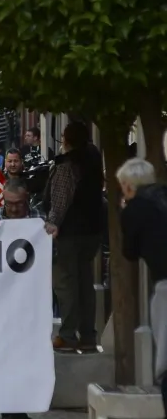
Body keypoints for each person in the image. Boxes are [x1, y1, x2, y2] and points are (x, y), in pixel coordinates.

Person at [44, 121, 103, 352]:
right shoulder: (94, 157)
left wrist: (53, 223)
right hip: (92, 230)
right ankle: (88, 335)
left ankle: (67, 336)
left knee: (66, 284)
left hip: (70, 232)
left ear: (65, 140)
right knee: (85, 282)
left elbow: (60, 199)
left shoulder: (67, 165)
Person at [118, 158, 167, 411]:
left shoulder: (135, 209)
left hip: (164, 283)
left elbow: (130, 252)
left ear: (127, 186)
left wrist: (125, 210)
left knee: (165, 360)